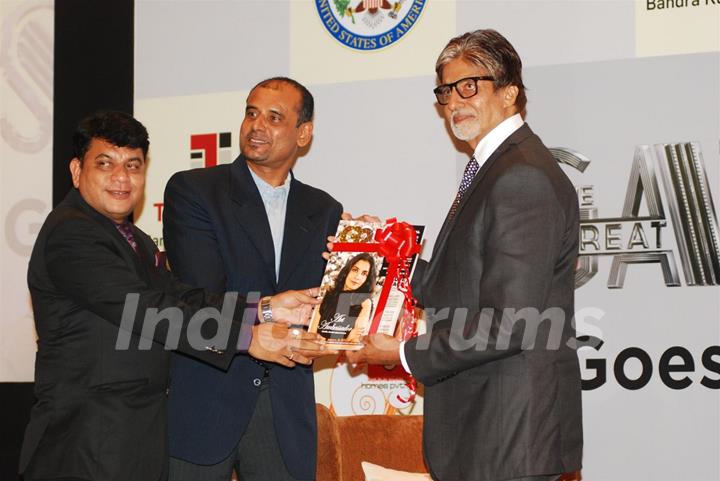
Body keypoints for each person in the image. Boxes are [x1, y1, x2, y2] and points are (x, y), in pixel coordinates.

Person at [19, 111, 325, 481]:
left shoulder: (136, 241)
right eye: (105, 164)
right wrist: (246, 338)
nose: (121, 178)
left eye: (133, 165)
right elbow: (145, 310)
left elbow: (180, 296)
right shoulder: (72, 233)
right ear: (76, 170)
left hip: (135, 436)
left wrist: (263, 309)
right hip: (87, 439)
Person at [348, 30, 583, 481]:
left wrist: (402, 352)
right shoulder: (496, 170)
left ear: (510, 92)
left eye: (469, 86)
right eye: (445, 91)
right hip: (490, 434)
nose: (454, 101)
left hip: (507, 436)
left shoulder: (521, 177)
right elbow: (457, 287)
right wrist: (382, 252)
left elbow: (512, 323)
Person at [163, 77, 343, 481]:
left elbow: (327, 311)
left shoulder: (324, 209)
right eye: (251, 113)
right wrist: (269, 315)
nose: (256, 125)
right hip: (208, 402)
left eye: (274, 117)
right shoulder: (194, 191)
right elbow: (197, 297)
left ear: (304, 133)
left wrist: (365, 251)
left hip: (284, 413)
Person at [310, 252, 376, 343]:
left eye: (364, 274)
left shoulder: (365, 303)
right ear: (347, 271)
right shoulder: (328, 296)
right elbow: (312, 335)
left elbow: (354, 341)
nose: (357, 277)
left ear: (367, 279)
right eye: (355, 270)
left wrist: (367, 307)